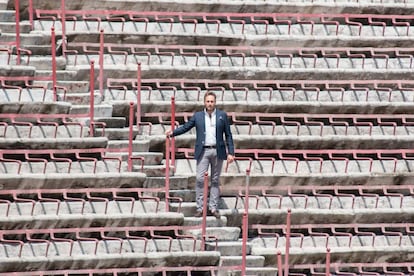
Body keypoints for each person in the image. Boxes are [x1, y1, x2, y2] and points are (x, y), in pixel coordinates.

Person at [166, 91, 235, 219]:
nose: (210, 104)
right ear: (204, 102)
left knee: (215, 180)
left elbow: (228, 135)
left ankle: (213, 207)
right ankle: (200, 207)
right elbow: (186, 127)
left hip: (218, 150)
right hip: (203, 150)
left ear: (215, 102)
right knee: (199, 179)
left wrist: (231, 152)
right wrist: (173, 133)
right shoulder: (198, 116)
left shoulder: (222, 116)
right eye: (208, 101)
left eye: (212, 101)